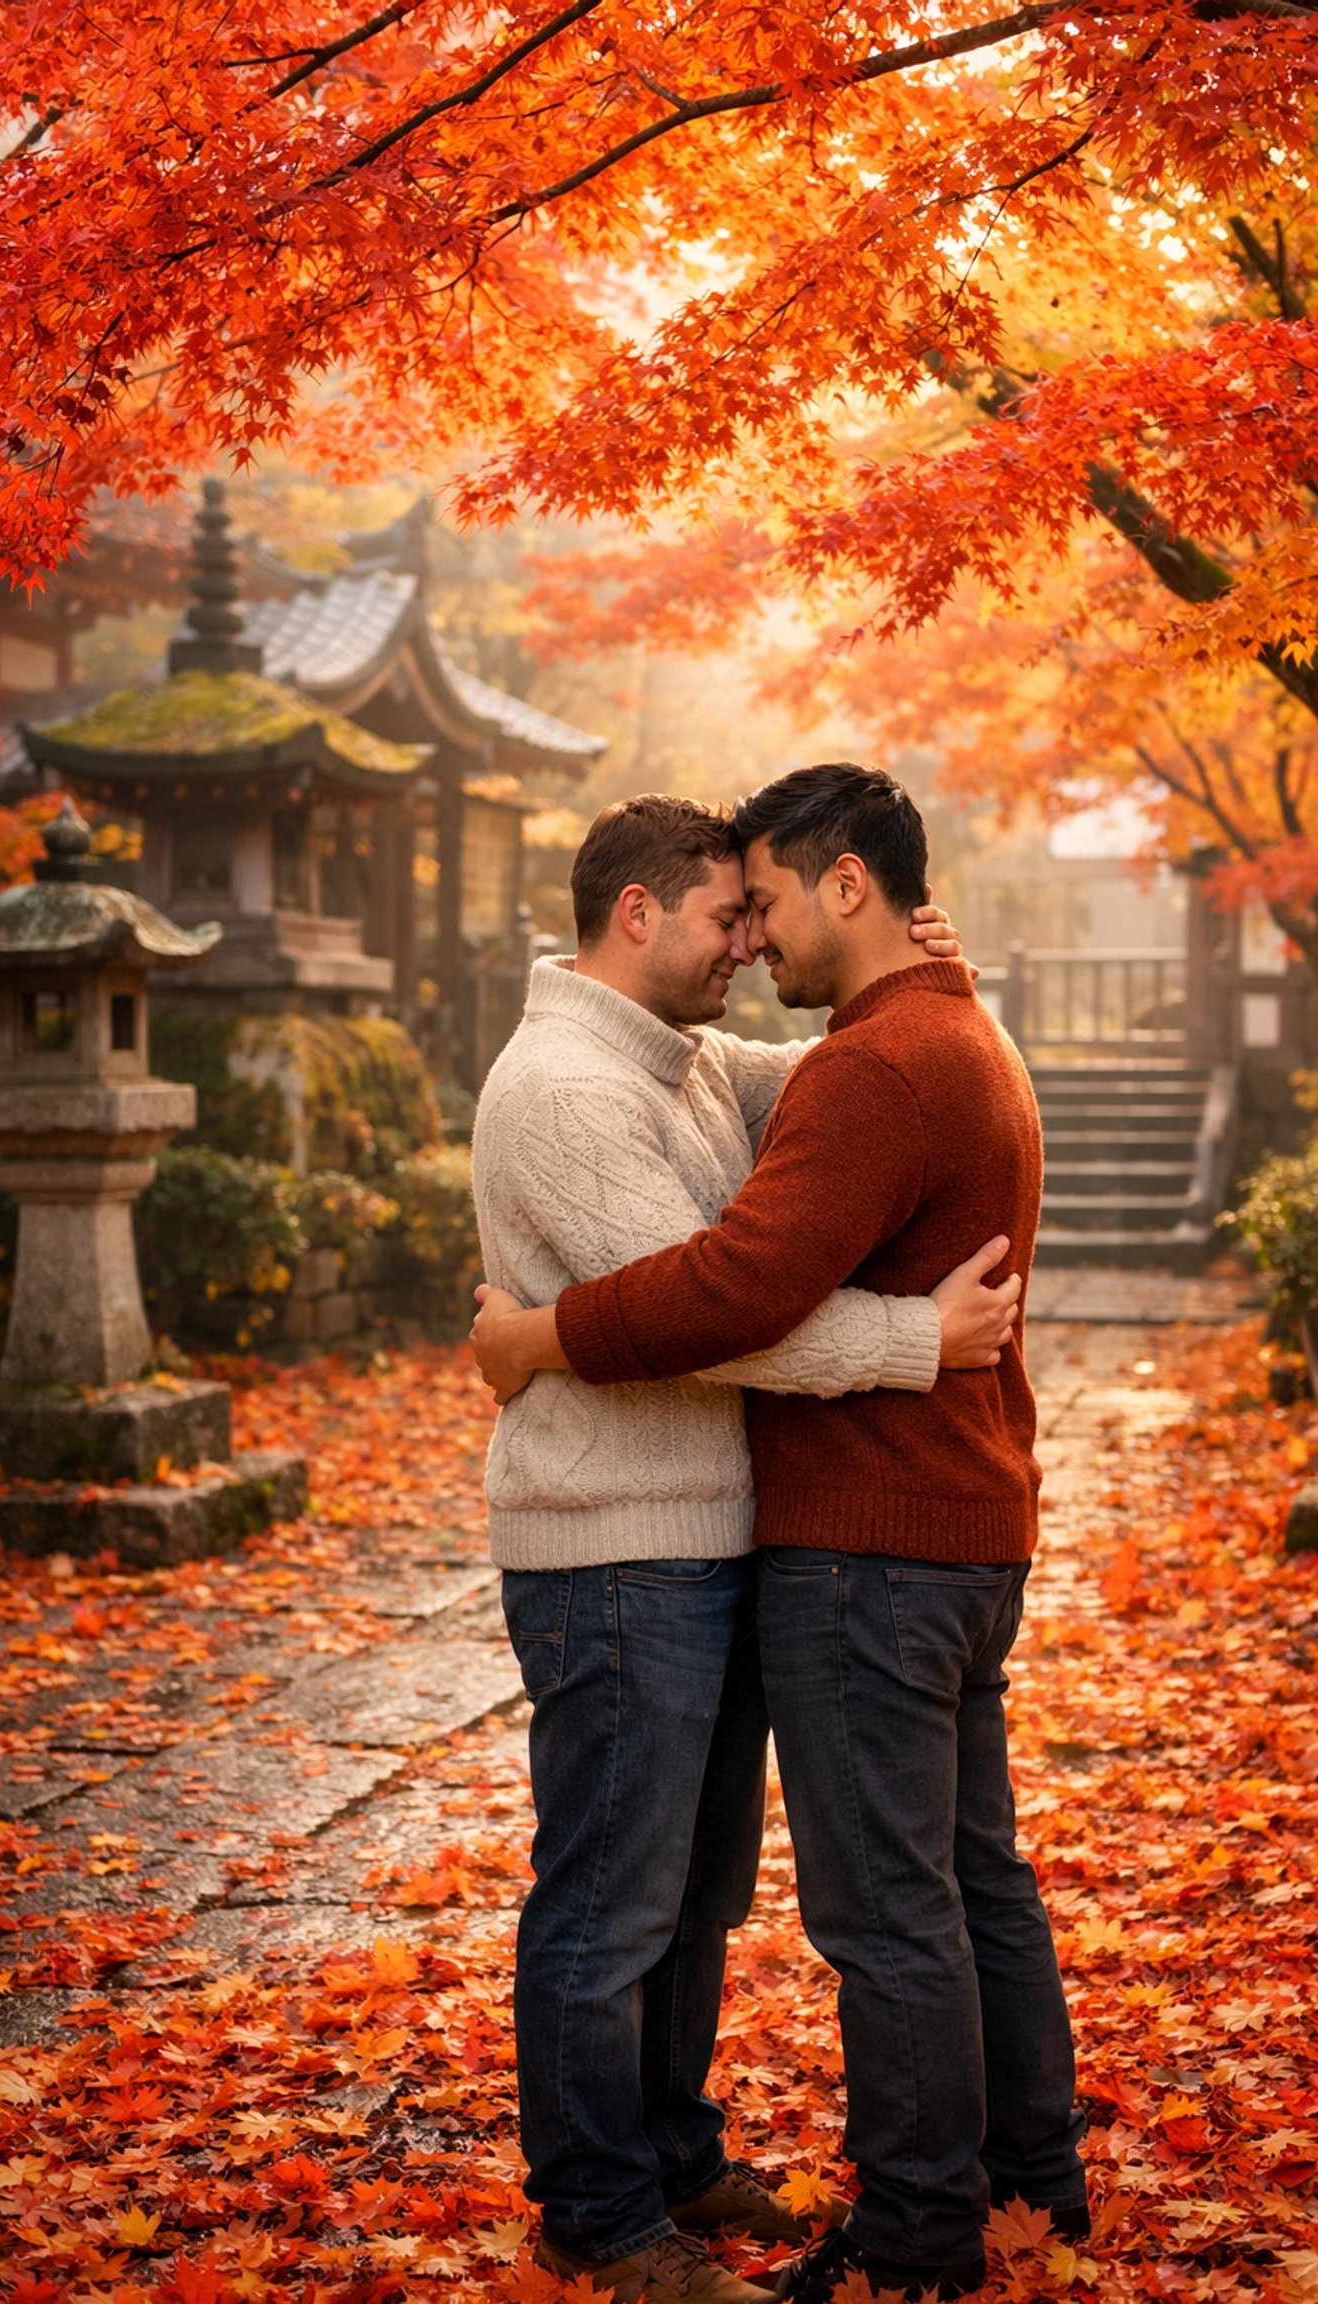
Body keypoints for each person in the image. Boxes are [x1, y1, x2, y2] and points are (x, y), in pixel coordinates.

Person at [471, 765, 1088, 2304]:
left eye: (767, 904)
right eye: (724, 913)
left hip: (811, 1541)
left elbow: (770, 1213)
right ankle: (611, 2210)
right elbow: (725, 1302)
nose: (751, 940)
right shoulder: (574, 1086)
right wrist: (899, 1337)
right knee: (630, 1900)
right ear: (637, 915)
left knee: (741, 1898)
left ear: (847, 887)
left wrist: (538, 1333)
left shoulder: (735, 1061)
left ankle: (776, 2185)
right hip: (628, 1548)